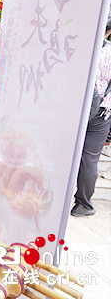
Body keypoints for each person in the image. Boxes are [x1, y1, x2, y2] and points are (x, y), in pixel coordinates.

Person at [71, 14, 111, 217]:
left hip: (74, 108)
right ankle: (83, 205)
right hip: (102, 113)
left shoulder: (78, 46)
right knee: (90, 159)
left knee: (63, 152)